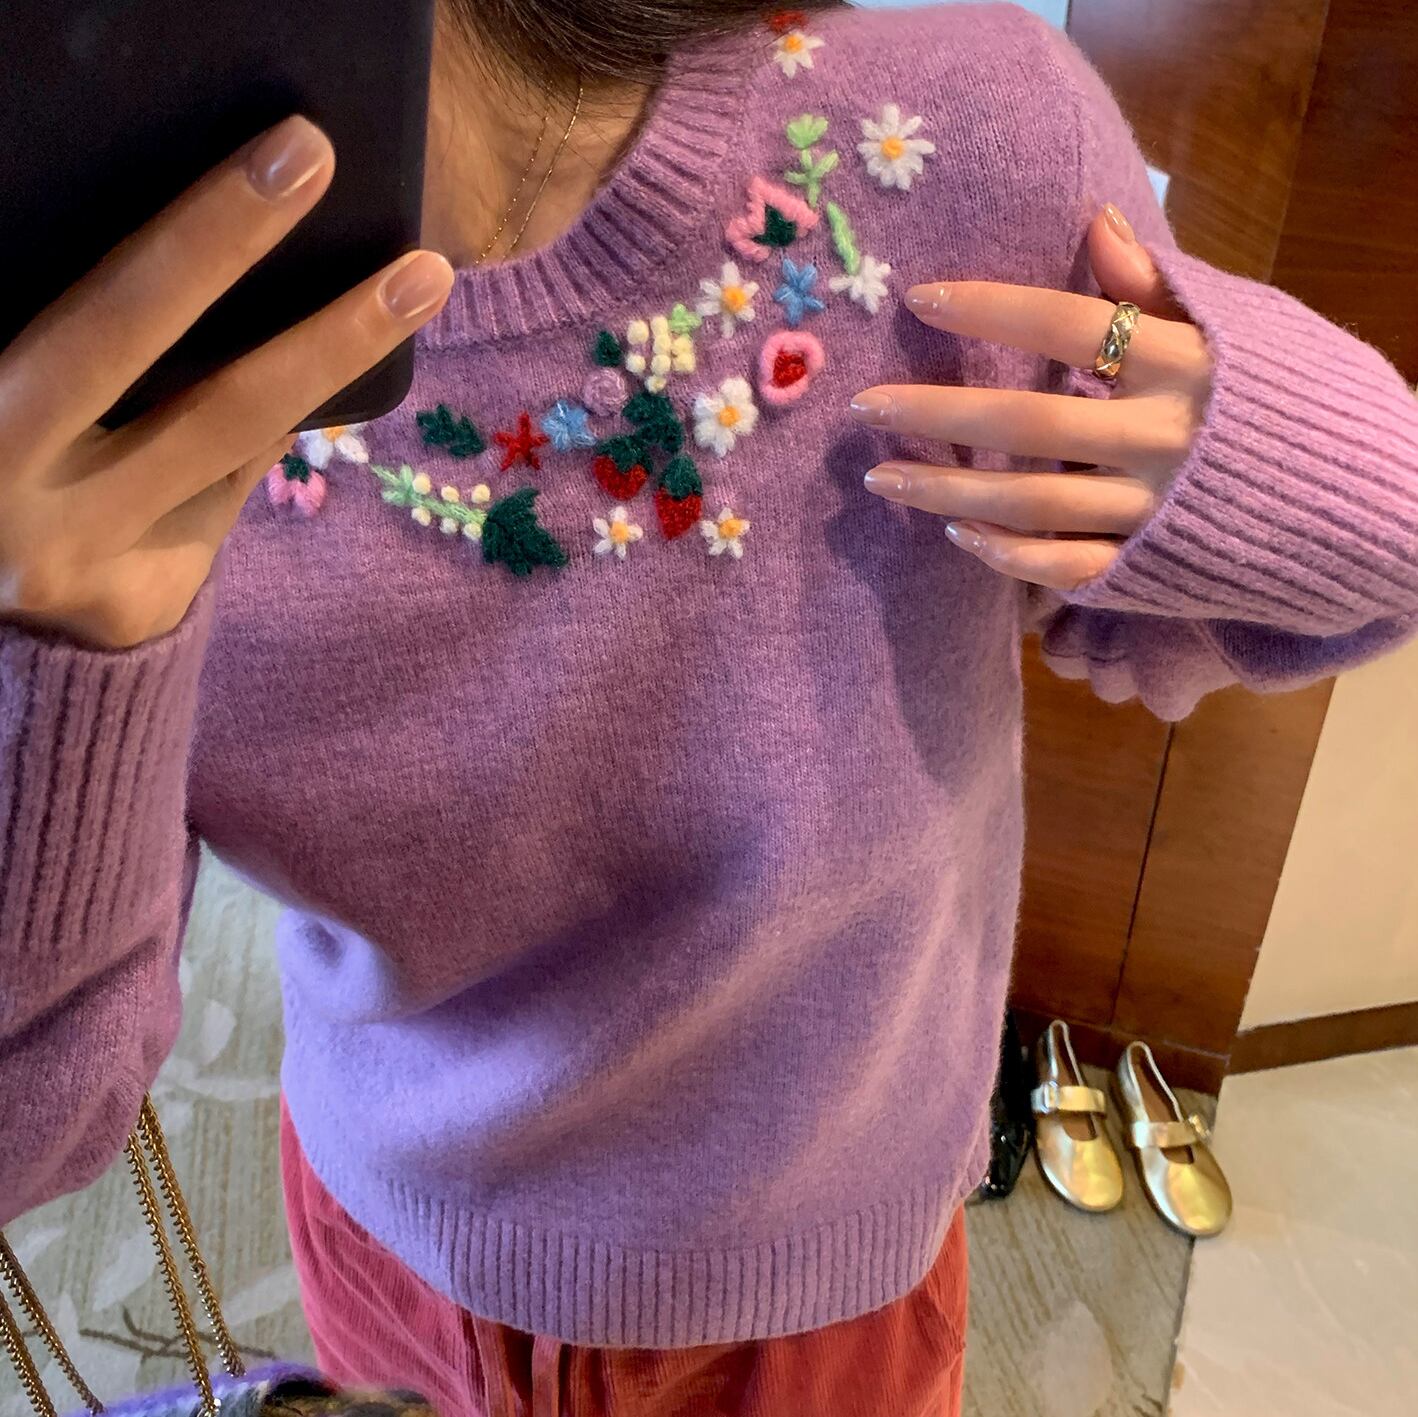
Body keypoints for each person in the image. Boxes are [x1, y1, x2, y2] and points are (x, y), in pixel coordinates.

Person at [2, 2, 1415, 1413]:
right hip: (389, 1229)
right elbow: (37, 1126)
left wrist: (1249, 446)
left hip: (810, 1277)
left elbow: (1347, 564)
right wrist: (50, 660)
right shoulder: (52, 376)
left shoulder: (955, 144)